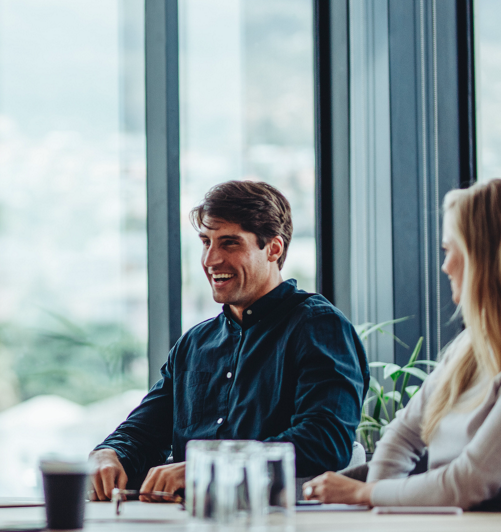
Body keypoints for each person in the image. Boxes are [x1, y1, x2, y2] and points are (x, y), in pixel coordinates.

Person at [304, 179, 501, 509]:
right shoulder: (472, 346)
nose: (444, 265)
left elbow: (469, 483)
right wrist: (379, 507)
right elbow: (404, 434)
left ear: (484, 259)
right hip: (451, 529)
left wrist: (364, 493)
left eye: (449, 250)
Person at [90, 180, 368, 501]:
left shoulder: (319, 326)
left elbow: (324, 441)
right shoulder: (194, 343)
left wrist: (207, 467)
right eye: (206, 242)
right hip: (186, 526)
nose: (210, 260)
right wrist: (108, 453)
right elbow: (144, 430)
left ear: (273, 249)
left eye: (230, 243)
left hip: (281, 529)